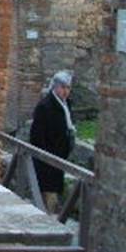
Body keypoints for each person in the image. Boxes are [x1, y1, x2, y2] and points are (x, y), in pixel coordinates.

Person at [28, 70, 75, 212]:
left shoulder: (66, 104)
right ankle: (46, 217)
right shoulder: (45, 106)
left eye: (68, 88)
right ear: (55, 87)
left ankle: (49, 214)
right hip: (47, 158)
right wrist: (45, 156)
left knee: (53, 191)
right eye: (63, 87)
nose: (66, 91)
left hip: (60, 156)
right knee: (47, 192)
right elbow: (36, 136)